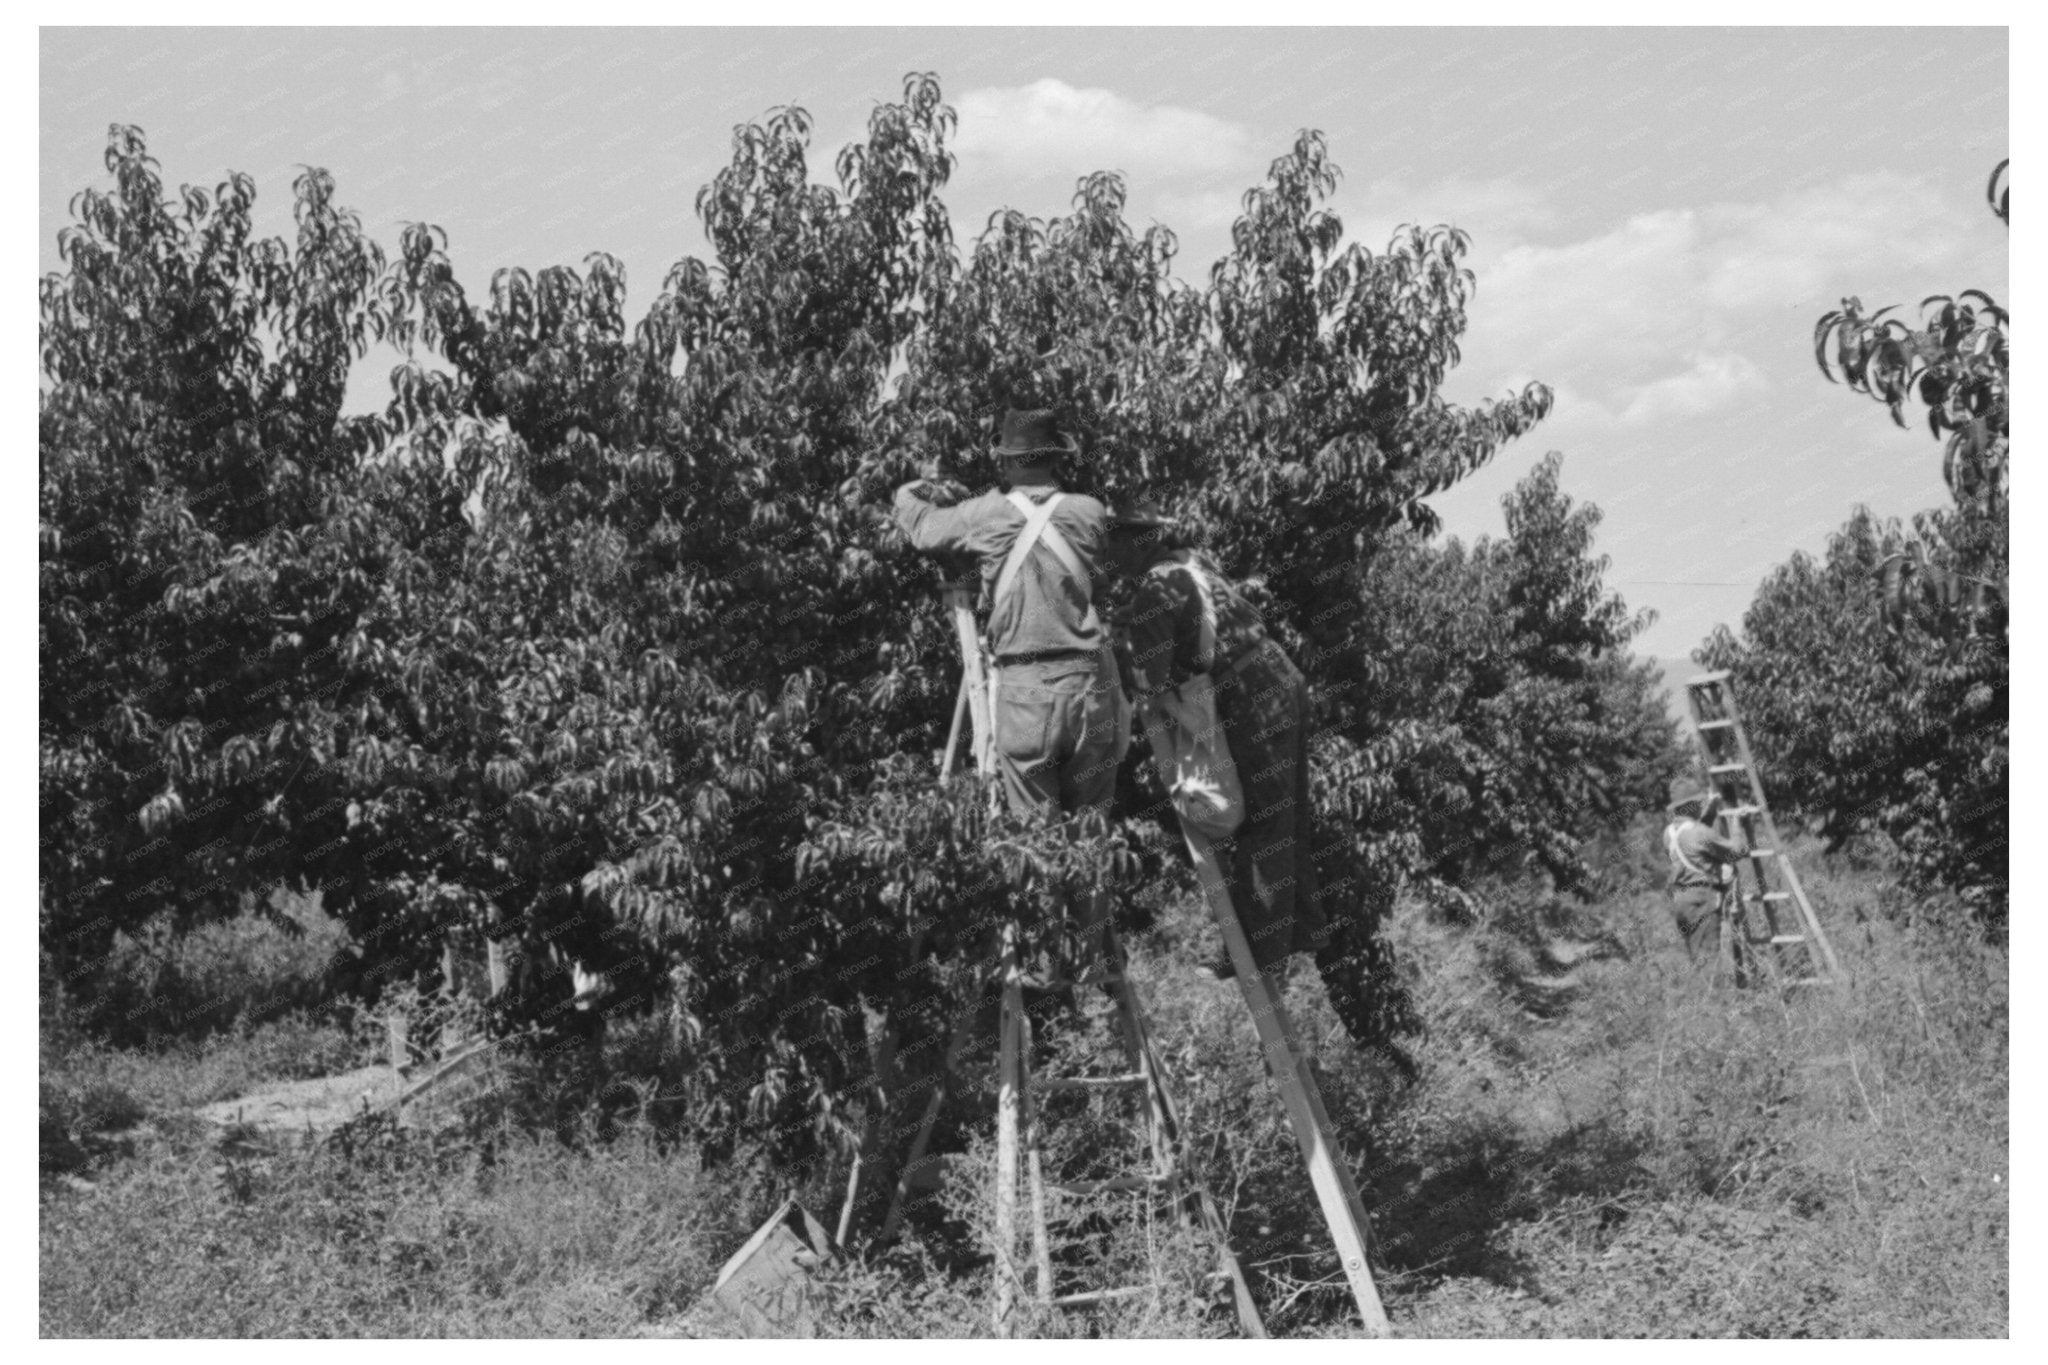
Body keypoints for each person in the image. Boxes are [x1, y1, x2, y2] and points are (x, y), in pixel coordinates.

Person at [1103, 502, 1330, 977]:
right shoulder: (1187, 563)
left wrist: (1124, 650)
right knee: (1288, 814)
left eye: (1117, 542)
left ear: (1138, 544)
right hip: (1277, 675)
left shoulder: (1153, 594)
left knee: (1261, 823)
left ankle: (1256, 957)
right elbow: (1186, 608)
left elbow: (1152, 681)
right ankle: (1299, 932)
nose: (1110, 554)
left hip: (1251, 693)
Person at [893, 409, 1125, 821]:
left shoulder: (987, 513)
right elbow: (1100, 585)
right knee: (1091, 835)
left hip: (1026, 691)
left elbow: (923, 529)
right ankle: (1093, 883)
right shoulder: (1090, 512)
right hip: (1088, 687)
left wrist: (919, 487)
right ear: (1058, 458)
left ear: (1006, 460)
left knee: (1038, 838)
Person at [1663, 792, 1750, 978]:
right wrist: (1736, 823)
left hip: (1681, 901)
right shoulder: (1698, 832)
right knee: (1709, 960)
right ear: (1693, 805)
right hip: (1701, 898)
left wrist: (1710, 811)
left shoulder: (1669, 833)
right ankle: (1715, 1002)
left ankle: (1704, 1000)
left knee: (1698, 957)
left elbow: (1697, 838)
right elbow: (1736, 851)